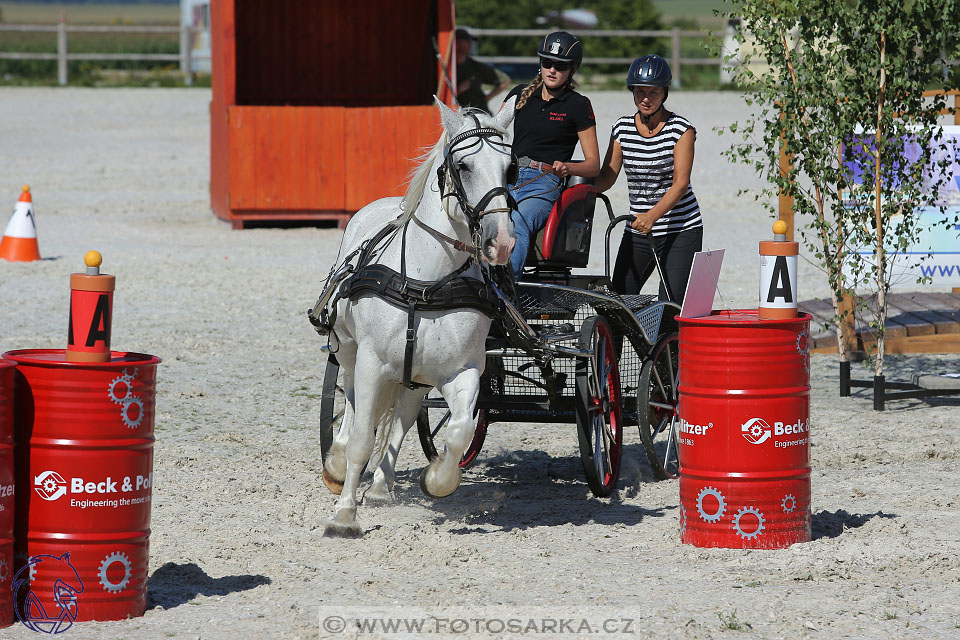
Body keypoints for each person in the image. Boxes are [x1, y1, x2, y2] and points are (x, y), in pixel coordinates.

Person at [595, 54, 703, 304]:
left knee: (670, 305)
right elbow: (607, 176)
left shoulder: (681, 130)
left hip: (681, 228)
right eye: (640, 91)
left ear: (664, 93)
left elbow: (681, 184)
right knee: (617, 301)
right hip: (638, 227)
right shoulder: (622, 128)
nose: (646, 98)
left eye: (653, 92)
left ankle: (668, 341)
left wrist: (652, 216)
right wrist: (576, 190)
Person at [502, 30, 600, 279]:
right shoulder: (520, 94)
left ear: (572, 69)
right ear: (540, 64)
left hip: (544, 183)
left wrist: (568, 168)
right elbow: (494, 129)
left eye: (561, 65)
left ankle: (506, 292)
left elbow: (593, 165)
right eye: (547, 63)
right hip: (508, 176)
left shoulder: (578, 105)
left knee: (518, 221)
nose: (552, 70)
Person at [455, 28, 511, 114]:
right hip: (459, 114)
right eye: (466, 41)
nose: (470, 44)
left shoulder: (475, 66)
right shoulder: (447, 67)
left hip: (481, 114)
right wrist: (459, 90)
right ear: (456, 43)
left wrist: (487, 98)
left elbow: (505, 80)